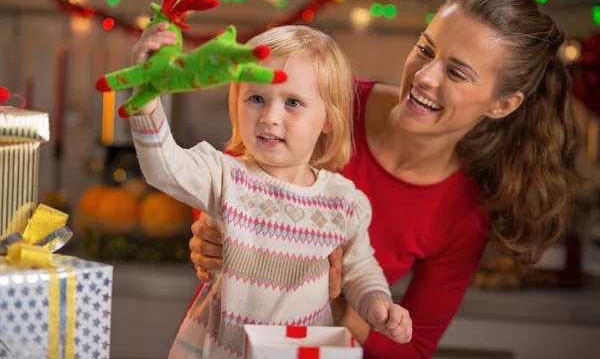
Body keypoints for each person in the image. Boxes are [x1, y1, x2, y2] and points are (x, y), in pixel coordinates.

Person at [182, 0, 581, 358]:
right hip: (223, 341)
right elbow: (235, 165)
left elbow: (413, 348)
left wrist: (339, 303)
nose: (424, 77)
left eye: (456, 72)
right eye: (425, 50)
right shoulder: (327, 103)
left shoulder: (463, 213)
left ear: (503, 104)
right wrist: (211, 229)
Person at [129, 25, 412, 358]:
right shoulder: (225, 176)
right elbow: (164, 167)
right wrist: (146, 97)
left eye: (292, 102)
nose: (269, 116)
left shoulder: (344, 203)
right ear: (236, 104)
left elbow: (360, 270)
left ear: (328, 119)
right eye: (256, 98)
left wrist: (378, 304)